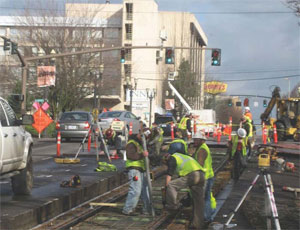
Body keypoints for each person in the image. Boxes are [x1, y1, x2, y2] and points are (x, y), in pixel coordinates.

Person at [162, 151, 205, 229]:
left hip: (193, 175)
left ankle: (173, 206)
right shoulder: (181, 156)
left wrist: (166, 190)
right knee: (198, 203)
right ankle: (198, 225)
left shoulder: (172, 159)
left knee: (171, 185)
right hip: (201, 175)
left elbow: (168, 178)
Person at [122, 131, 151, 216]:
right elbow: (131, 156)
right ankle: (128, 209)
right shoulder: (132, 143)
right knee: (135, 190)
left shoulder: (140, 144)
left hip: (142, 169)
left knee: (145, 190)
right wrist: (142, 154)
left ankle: (147, 209)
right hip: (134, 169)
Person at [192, 131, 215, 223]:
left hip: (205, 177)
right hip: (208, 176)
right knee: (207, 197)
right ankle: (207, 216)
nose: (194, 142)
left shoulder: (202, 150)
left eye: (196, 140)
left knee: (203, 198)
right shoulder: (202, 148)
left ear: (202, 140)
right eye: (194, 140)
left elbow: (199, 164)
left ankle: (205, 217)